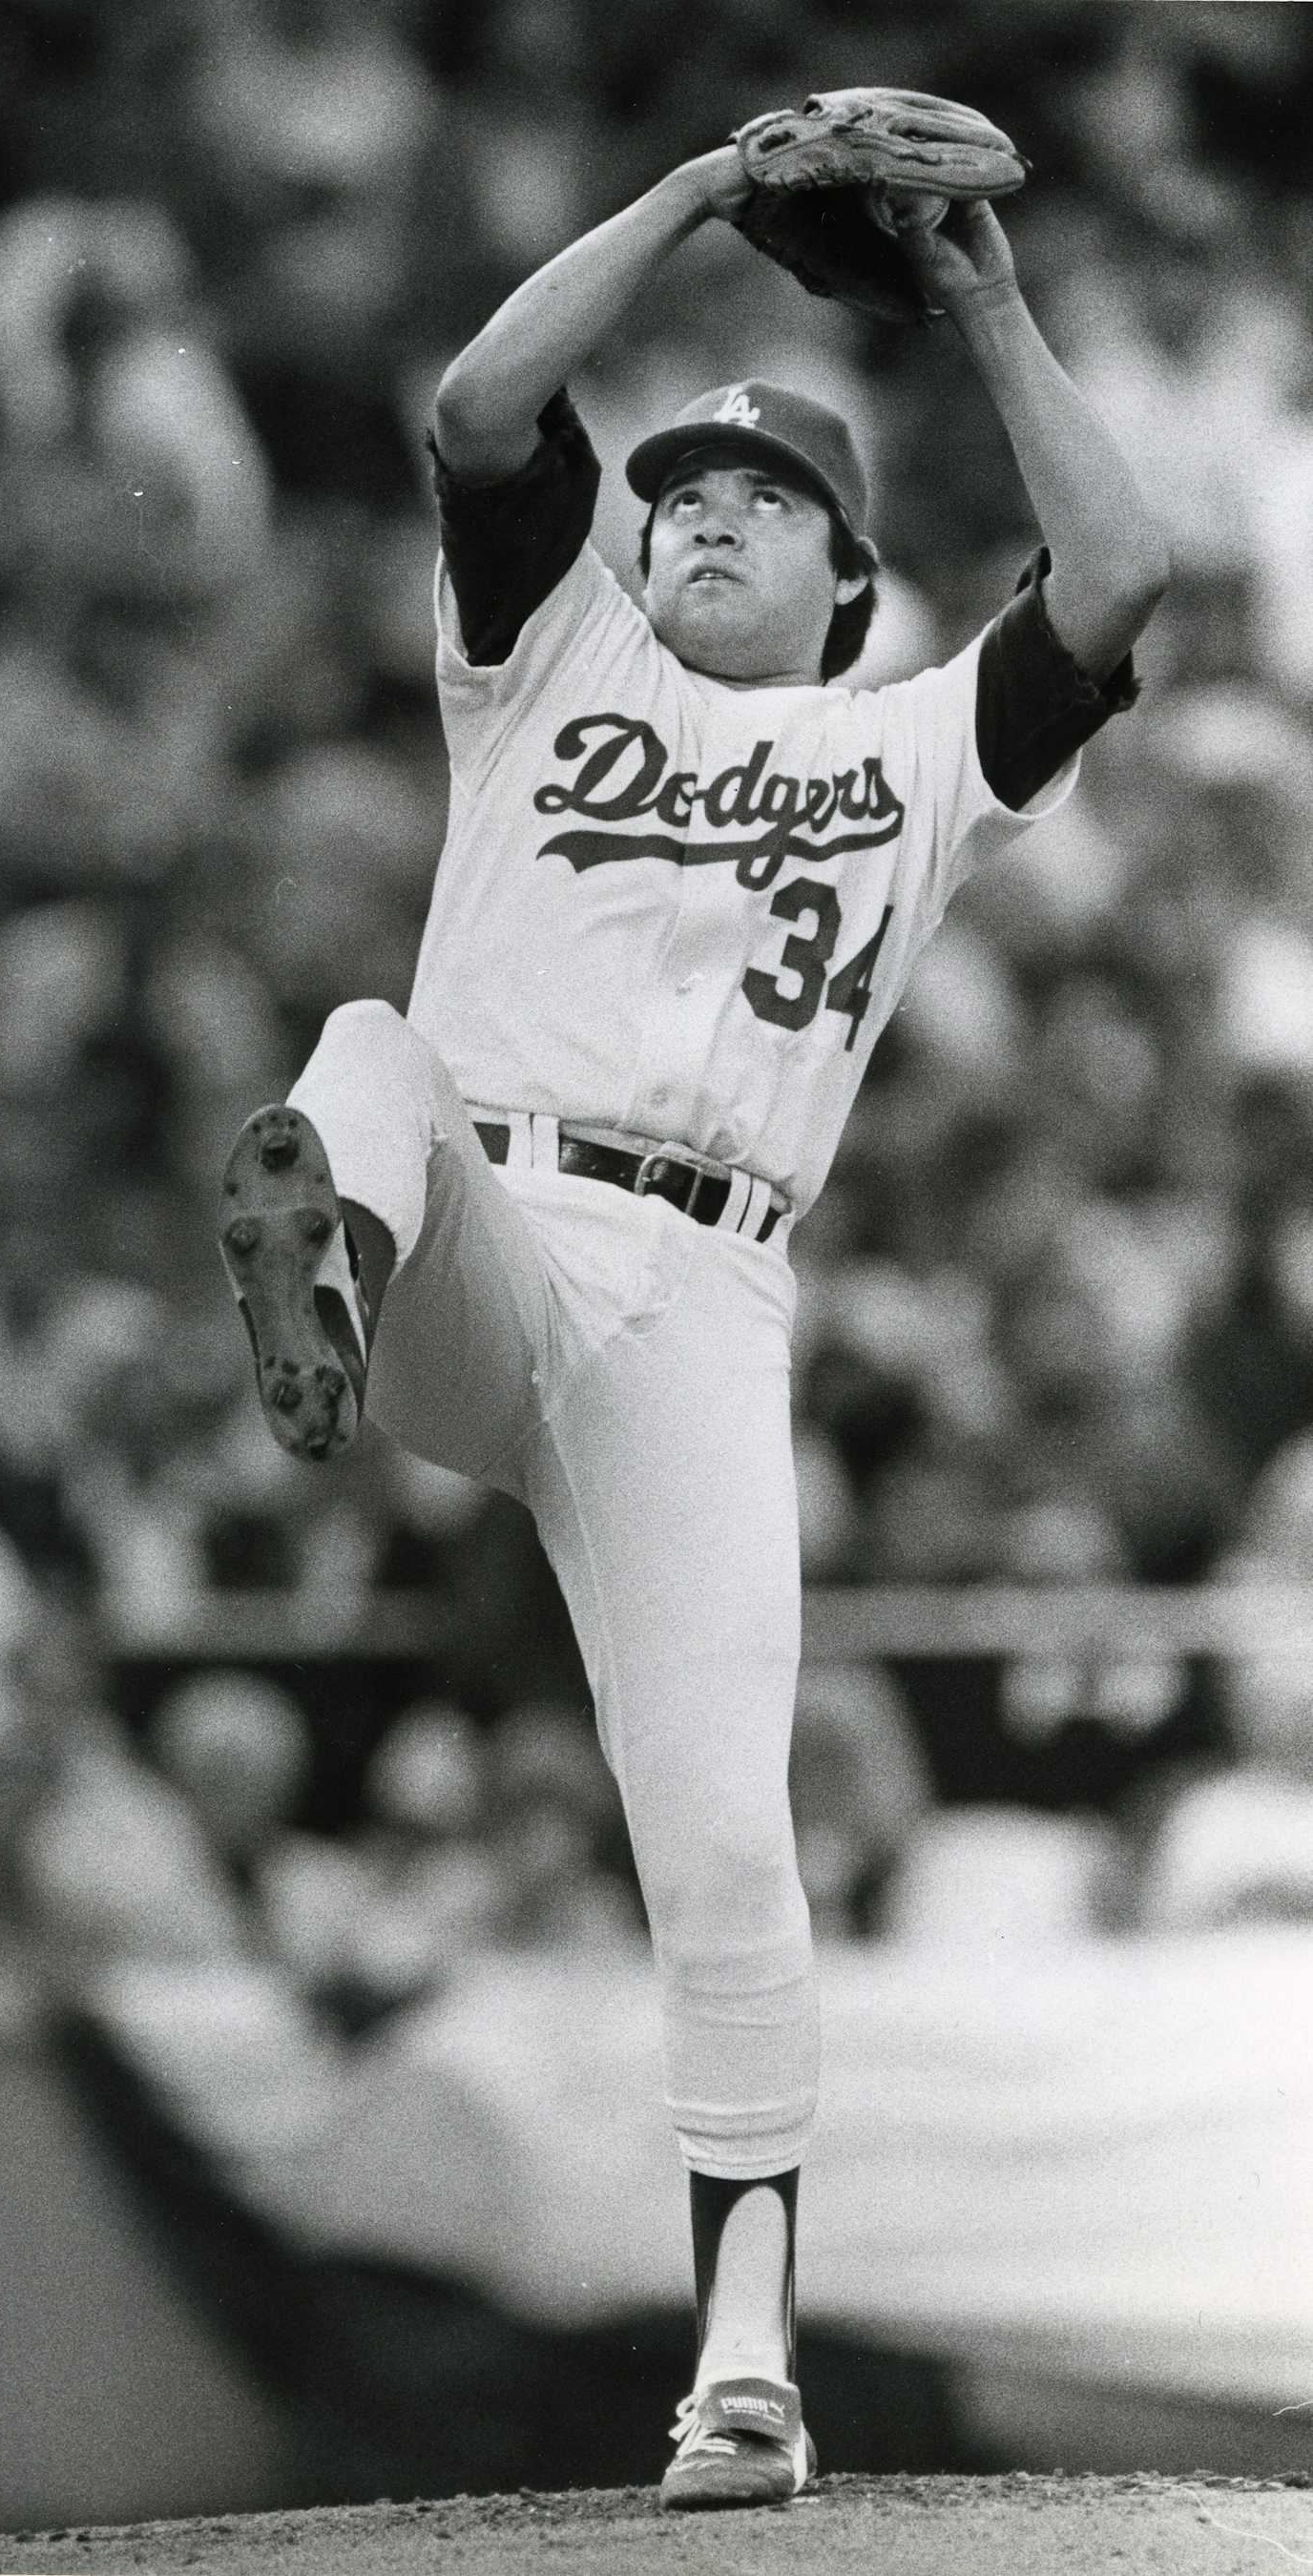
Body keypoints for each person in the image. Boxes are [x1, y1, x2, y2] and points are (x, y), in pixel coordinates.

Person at [219, 140, 1167, 2508]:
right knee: (368, 1047)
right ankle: (314, 1245)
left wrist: (973, 303)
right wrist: (699, 190)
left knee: (726, 1835)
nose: (706, 513)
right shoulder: (551, 653)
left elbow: (1126, 573)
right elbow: (474, 407)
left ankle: (742, 2368)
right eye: (684, 489)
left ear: (854, 579)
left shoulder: (914, 753)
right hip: (475, 1237)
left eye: (765, 495)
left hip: (700, 1307)